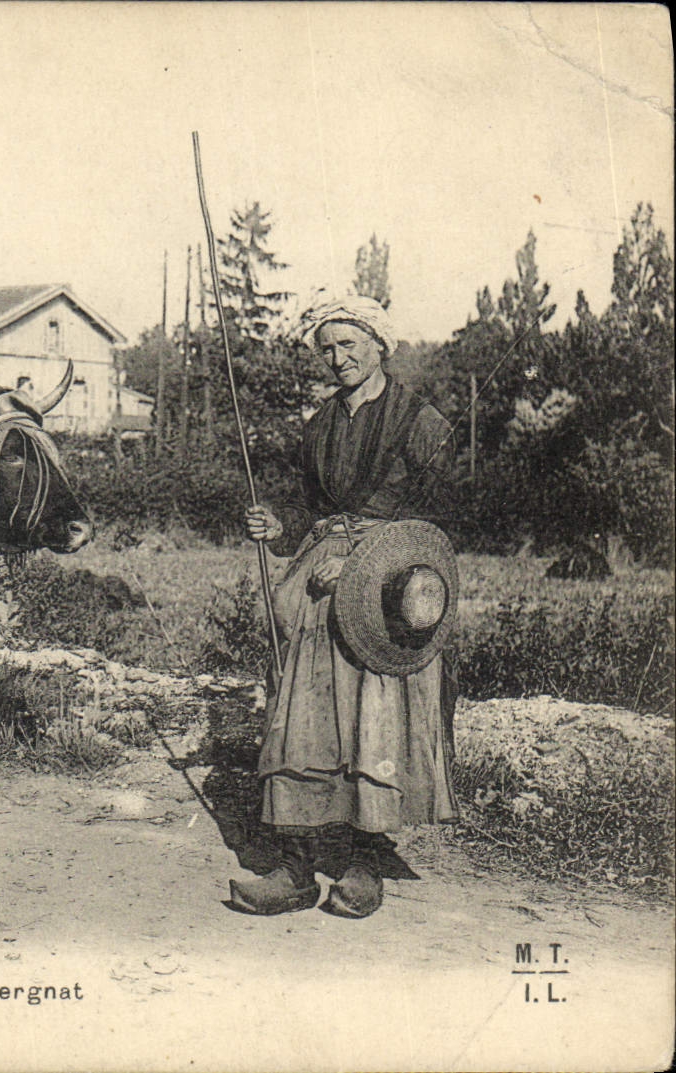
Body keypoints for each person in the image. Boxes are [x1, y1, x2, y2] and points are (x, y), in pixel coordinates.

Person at [231, 293, 458, 918]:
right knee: (301, 714)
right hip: (317, 583)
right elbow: (312, 507)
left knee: (374, 719)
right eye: (326, 348)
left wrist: (365, 565)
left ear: (378, 345)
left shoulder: (422, 423)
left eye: (348, 344)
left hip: (388, 590)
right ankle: (296, 868)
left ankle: (364, 861)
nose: (337, 358)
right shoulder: (320, 425)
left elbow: (439, 519)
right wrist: (278, 524)